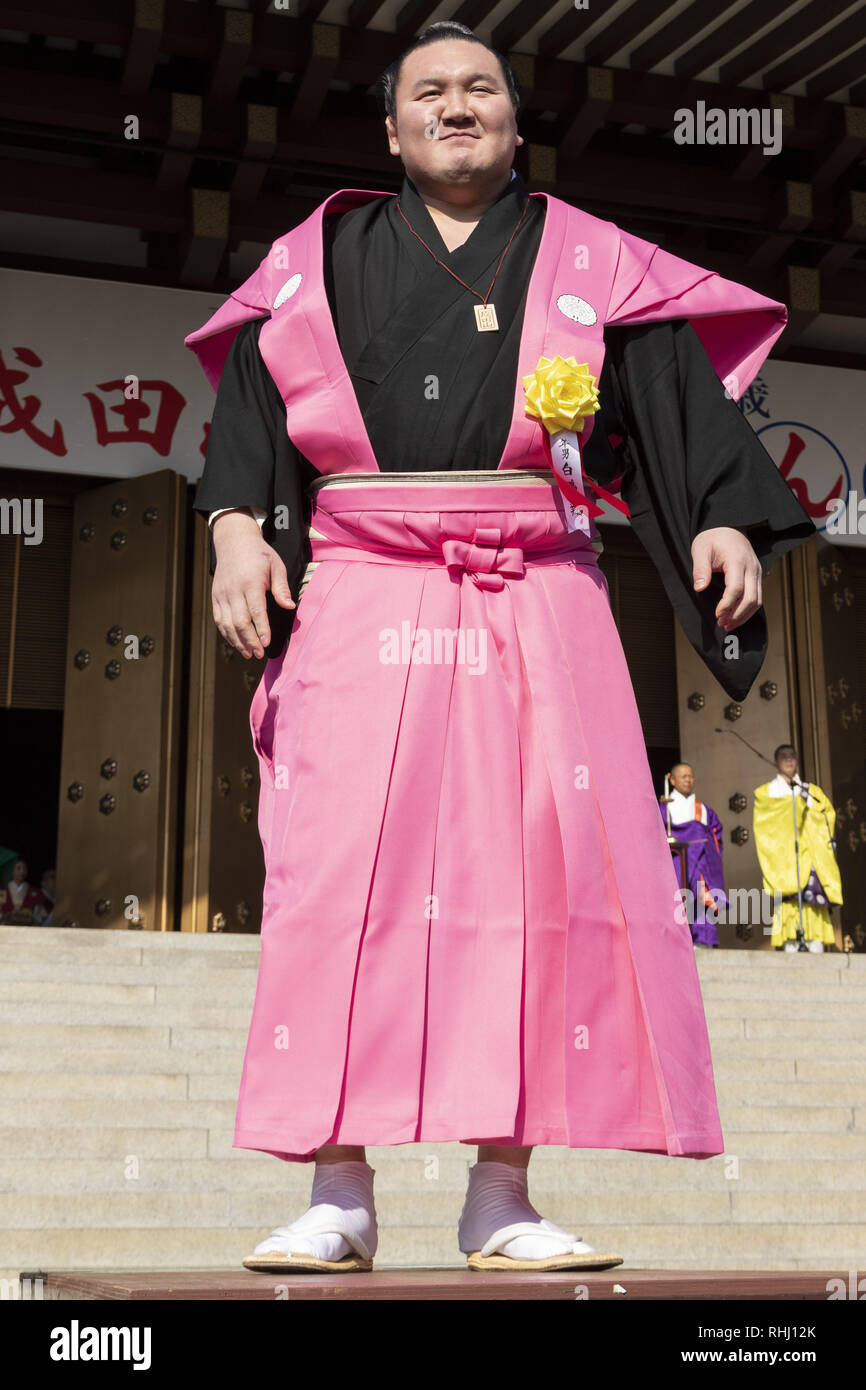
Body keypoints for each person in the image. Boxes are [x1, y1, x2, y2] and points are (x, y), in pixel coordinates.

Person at [185, 21, 815, 1274]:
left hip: (537, 585)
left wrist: (729, 519)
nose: (456, 105)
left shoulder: (589, 260)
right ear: (390, 129)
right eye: (429, 90)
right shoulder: (312, 260)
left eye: (481, 88)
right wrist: (232, 536)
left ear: (516, 123)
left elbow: (680, 406)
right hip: (363, 588)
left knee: (538, 880)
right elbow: (248, 420)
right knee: (336, 876)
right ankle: (337, 1187)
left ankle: (503, 1191)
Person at [753, 745, 842, 952]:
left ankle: (816, 944)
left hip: (811, 856)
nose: (789, 760)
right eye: (784, 757)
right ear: (775, 762)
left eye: (792, 756)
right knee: (789, 904)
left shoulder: (811, 791)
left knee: (813, 902)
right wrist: (789, 807)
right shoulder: (767, 793)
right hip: (785, 860)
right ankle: (791, 945)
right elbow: (765, 826)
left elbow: (826, 816)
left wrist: (807, 807)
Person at [660, 763, 726, 948]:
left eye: (690, 776)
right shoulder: (664, 808)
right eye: (683, 776)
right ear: (672, 780)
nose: (688, 780)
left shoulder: (704, 810)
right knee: (675, 901)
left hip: (700, 865)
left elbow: (715, 835)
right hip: (675, 864)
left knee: (701, 900)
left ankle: (703, 940)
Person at [0, 858, 50, 925]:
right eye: (18, 868)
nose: (22, 871)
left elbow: (42, 916)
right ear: (11, 870)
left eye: (24, 868)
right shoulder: (3, 891)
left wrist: (28, 917)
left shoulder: (35, 892)